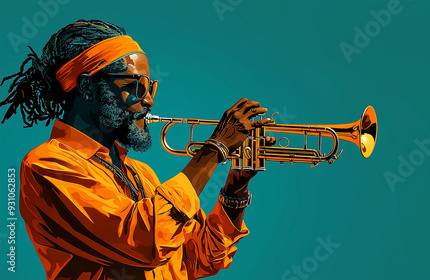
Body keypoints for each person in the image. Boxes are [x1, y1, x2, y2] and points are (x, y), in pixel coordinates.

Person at [0, 19, 275, 280]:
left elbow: (200, 259)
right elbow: (144, 242)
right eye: (136, 87)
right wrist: (214, 150)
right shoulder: (48, 165)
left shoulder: (141, 173)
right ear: (87, 87)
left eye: (151, 87)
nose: (149, 101)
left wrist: (235, 187)